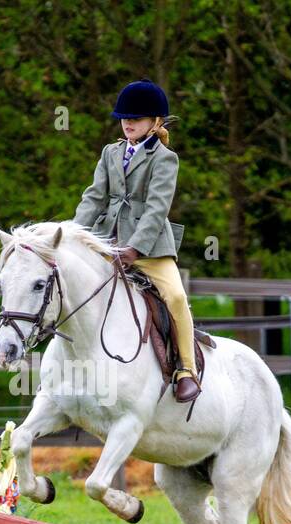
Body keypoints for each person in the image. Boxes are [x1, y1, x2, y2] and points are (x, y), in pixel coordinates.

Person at [73, 78, 199, 403]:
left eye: (136, 118)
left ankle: (187, 369)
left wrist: (136, 248)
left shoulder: (165, 158)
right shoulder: (110, 152)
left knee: (175, 297)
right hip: (108, 240)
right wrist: (71, 235)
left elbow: (157, 209)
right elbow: (94, 198)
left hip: (150, 248)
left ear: (155, 122)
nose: (128, 122)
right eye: (125, 117)